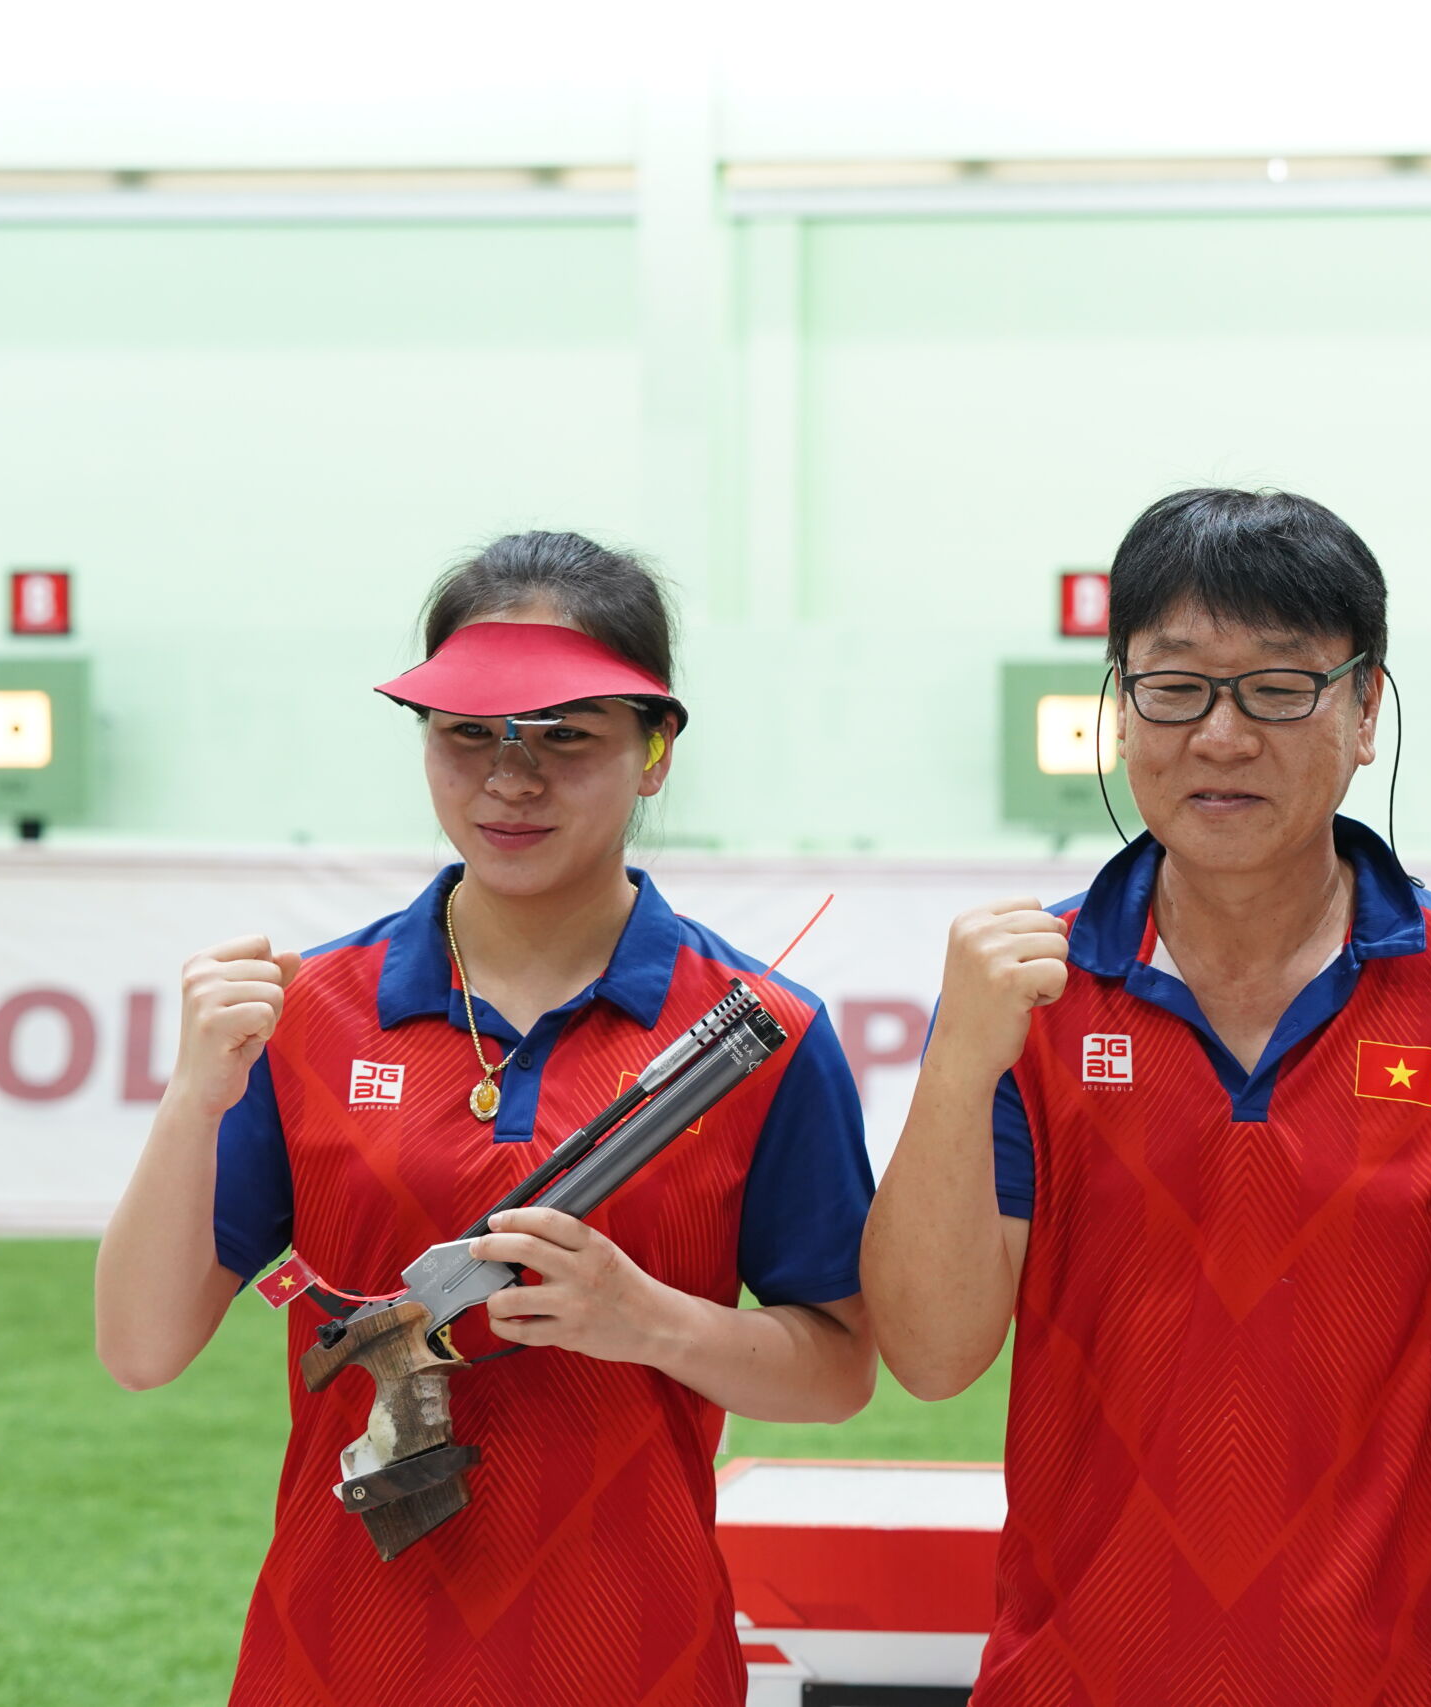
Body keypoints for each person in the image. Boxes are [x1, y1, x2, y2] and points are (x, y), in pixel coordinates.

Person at [863, 488, 1431, 1707]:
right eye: (1174, 687)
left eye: (1278, 687)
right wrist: (958, 1064)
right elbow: (932, 1356)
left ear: (1365, 710)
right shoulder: (1029, 994)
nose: (1220, 737)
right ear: (1120, 708)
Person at [93, 532, 878, 1707]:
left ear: (654, 753)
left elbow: (839, 1372)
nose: (511, 779)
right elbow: (140, 1349)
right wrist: (191, 1098)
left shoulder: (758, 1034)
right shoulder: (305, 1013)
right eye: (469, 733)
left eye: (565, 737)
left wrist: (646, 1321)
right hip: (337, 1657)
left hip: (636, 1655)